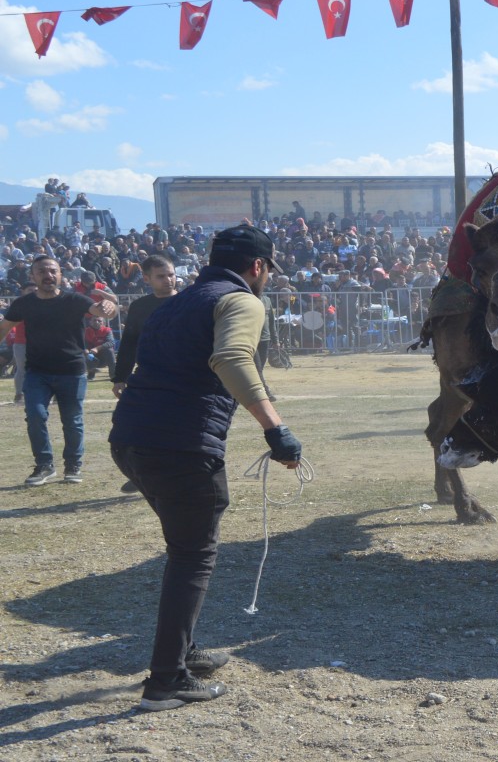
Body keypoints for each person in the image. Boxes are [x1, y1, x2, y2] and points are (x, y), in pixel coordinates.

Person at [109, 224, 304, 711]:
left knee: (184, 549)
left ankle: (183, 652)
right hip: (180, 446)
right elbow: (232, 357)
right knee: (191, 556)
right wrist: (274, 429)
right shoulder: (242, 301)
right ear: (257, 267)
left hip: (130, 439)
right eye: (266, 270)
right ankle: (166, 681)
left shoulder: (175, 302)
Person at [0, 257, 119, 485]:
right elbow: (4, 327)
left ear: (60, 274)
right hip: (37, 372)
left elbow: (102, 311)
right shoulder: (24, 304)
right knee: (35, 416)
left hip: (72, 371)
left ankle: (73, 465)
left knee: (72, 420)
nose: (48, 275)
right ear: (33, 276)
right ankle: (44, 466)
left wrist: (110, 307)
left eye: (53, 271)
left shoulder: (74, 300)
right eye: (42, 271)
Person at [111, 255, 180, 493]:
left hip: (183, 377)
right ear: (147, 278)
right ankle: (143, 473)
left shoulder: (190, 302)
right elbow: (129, 343)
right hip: (148, 375)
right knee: (130, 427)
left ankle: (167, 475)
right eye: (161, 276)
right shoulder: (140, 307)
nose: (169, 280)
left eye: (171, 274)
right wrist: (120, 377)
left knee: (174, 430)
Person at [6, 281, 35, 402]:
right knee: (22, 369)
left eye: (35, 290)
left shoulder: (45, 303)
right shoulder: (18, 305)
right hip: (21, 342)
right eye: (30, 290)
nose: (33, 293)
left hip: (42, 342)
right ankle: (19, 394)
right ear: (23, 291)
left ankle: (53, 395)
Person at [82, 316, 115, 380]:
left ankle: (113, 375)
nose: (96, 322)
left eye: (99, 321)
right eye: (94, 320)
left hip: (104, 356)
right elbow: (83, 344)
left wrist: (97, 348)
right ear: (90, 322)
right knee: (86, 353)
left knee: (110, 351)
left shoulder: (107, 330)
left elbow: (111, 342)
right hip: (91, 355)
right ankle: (91, 375)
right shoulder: (86, 331)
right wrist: (85, 349)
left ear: (103, 323)